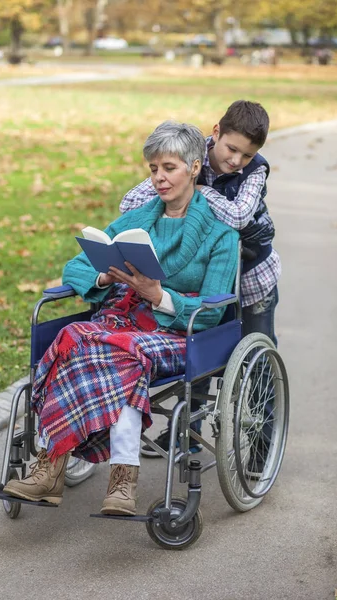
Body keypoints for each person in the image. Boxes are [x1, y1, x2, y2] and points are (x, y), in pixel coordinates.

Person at [3, 121, 239, 515]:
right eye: (153, 169)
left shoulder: (220, 236)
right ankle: (66, 471)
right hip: (116, 325)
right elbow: (73, 268)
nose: (159, 178)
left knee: (122, 349)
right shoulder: (134, 221)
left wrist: (159, 296)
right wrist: (101, 274)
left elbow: (212, 313)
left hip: (178, 332)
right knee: (74, 334)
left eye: (169, 167)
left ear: (195, 166)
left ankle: (95, 472)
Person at [120, 100, 280, 476]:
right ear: (215, 133)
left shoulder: (256, 171)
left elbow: (240, 216)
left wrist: (195, 193)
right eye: (232, 148)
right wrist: (184, 180)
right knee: (201, 360)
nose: (237, 160)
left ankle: (259, 453)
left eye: (247, 153)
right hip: (205, 276)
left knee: (258, 368)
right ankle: (185, 438)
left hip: (253, 278)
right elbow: (131, 201)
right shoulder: (190, 156)